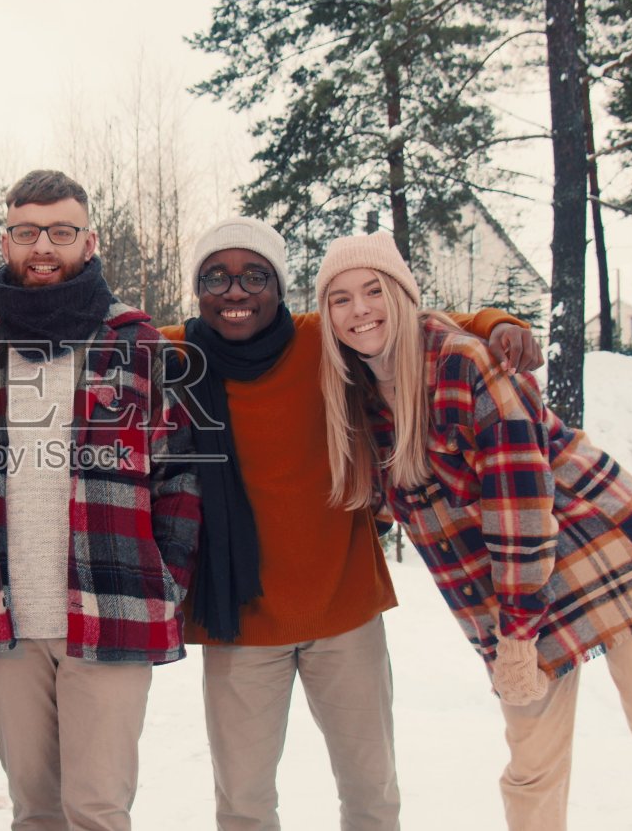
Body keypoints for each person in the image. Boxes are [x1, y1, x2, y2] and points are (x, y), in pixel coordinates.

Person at [315, 231, 632, 831]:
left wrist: (514, 638)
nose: (360, 310)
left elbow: (522, 509)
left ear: (403, 295)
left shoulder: (463, 363)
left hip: (613, 559)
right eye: (341, 299)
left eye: (374, 290)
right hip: (525, 592)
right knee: (532, 772)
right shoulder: (360, 401)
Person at [162, 217, 538, 831]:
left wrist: (498, 321)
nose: (236, 291)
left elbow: (422, 326)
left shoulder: (324, 339)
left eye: (254, 275)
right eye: (217, 277)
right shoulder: (177, 355)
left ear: (279, 286)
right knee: (243, 805)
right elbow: (92, 340)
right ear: (198, 289)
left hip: (345, 611)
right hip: (240, 622)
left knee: (371, 794)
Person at [0, 169, 201, 831]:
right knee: (34, 811)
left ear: (89, 243)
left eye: (61, 231)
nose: (43, 247)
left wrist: (164, 584)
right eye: (27, 231)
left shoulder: (139, 345)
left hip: (111, 610)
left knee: (95, 810)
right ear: (5, 242)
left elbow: (179, 479)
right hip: (8, 622)